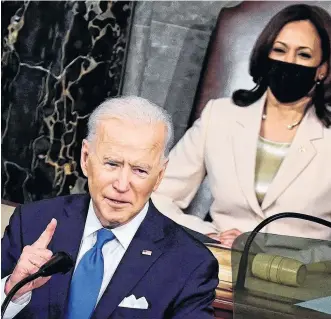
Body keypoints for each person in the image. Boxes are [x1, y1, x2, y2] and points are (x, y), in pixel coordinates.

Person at [1, 97, 219, 319]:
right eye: (112, 164)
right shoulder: (30, 223)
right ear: (86, 158)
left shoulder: (190, 263)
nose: (122, 185)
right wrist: (12, 291)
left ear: (160, 175)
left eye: (140, 171)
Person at [152, 4, 331, 248]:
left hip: (300, 275)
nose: (289, 62)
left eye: (304, 55)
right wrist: (209, 235)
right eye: (280, 50)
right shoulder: (220, 116)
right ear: (265, 55)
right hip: (220, 263)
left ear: (322, 70)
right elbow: (158, 195)